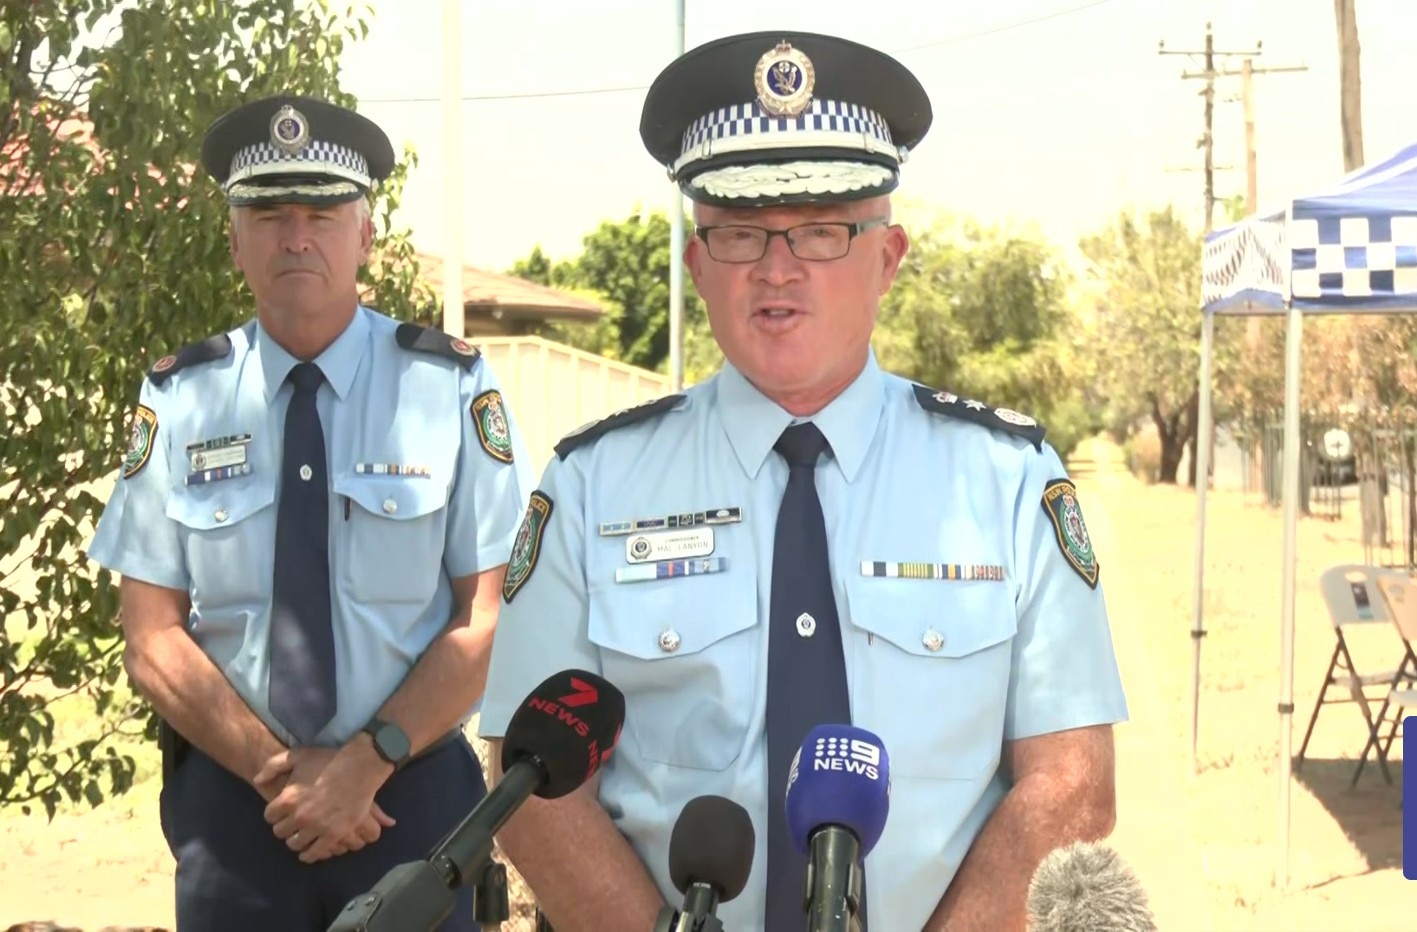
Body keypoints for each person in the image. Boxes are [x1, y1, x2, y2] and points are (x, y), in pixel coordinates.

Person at [478, 31, 1128, 932]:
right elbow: (530, 784)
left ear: (887, 258)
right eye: (738, 233)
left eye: (822, 230)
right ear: (696, 264)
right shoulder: (592, 485)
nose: (775, 268)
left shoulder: (1005, 482)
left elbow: (1070, 783)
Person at [85, 95, 529, 931]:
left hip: (412, 800)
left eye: (322, 215)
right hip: (239, 807)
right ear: (234, 240)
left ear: (365, 236)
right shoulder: (181, 398)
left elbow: (488, 617)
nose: (296, 238)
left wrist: (365, 764)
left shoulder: (448, 389)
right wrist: (285, 776)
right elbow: (150, 634)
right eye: (268, 215)